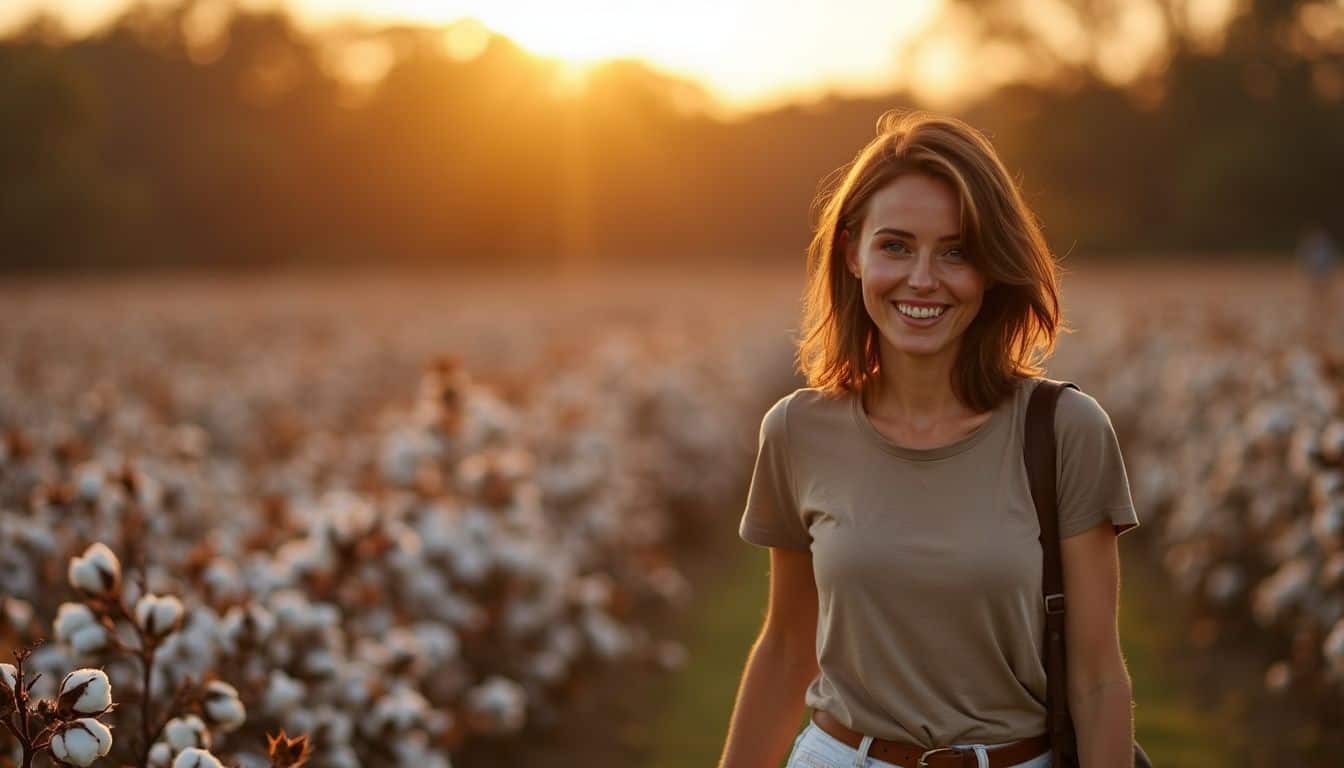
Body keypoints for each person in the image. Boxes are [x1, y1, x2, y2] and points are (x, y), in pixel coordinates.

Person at [718, 110, 1141, 768]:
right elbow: (784, 649)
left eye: (956, 251)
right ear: (853, 252)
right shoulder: (797, 431)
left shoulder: (1066, 432)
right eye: (896, 246)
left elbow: (1098, 676)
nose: (923, 278)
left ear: (993, 267)